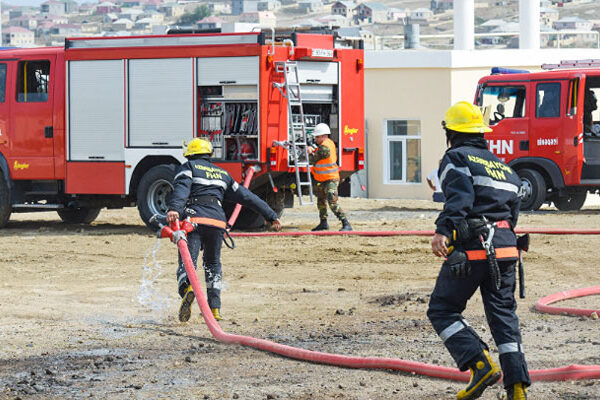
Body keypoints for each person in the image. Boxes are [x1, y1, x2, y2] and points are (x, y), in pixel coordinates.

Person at [427, 102, 530, 400]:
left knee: (443, 309)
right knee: (503, 317)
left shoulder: (455, 158)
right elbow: (512, 216)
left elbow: (459, 198)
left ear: (451, 132)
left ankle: (480, 364)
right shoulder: (506, 169)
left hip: (474, 250)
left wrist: (443, 231)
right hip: (508, 251)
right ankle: (518, 388)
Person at [167, 138, 281, 322]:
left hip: (193, 220)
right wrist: (271, 215)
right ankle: (215, 309)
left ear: (190, 153)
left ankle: (187, 289)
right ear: (209, 154)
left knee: (188, 262)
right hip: (217, 223)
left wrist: (174, 209)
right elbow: (247, 197)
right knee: (213, 264)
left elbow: (181, 190)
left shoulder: (188, 167)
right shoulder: (222, 174)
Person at [306, 123, 352, 232]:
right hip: (322, 179)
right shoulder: (325, 145)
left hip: (330, 179)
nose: (316, 139)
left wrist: (309, 152)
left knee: (332, 202)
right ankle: (323, 223)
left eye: (317, 136)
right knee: (321, 202)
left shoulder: (325, 147)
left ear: (324, 136)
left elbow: (313, 160)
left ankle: (346, 223)